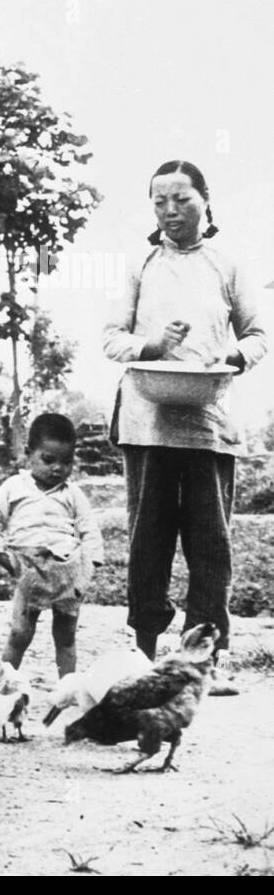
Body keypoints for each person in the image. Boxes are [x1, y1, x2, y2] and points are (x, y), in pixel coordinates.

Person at [103, 159, 268, 696]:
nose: (171, 211)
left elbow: (259, 334)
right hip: (147, 418)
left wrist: (234, 354)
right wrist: (151, 346)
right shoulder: (140, 265)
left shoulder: (228, 264)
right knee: (147, 540)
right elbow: (111, 337)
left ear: (205, 199)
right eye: (160, 201)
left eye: (182, 199)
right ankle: (142, 652)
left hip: (208, 421)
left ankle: (205, 661)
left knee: (209, 544)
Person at [0, 413, 105, 678]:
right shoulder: (14, 487)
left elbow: (89, 529)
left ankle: (66, 688)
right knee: (20, 632)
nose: (57, 468)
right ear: (29, 454)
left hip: (66, 570)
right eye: (48, 460)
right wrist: (1, 557)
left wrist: (88, 569)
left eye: (66, 461)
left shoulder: (72, 493)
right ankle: (1, 683)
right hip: (29, 569)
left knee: (66, 637)